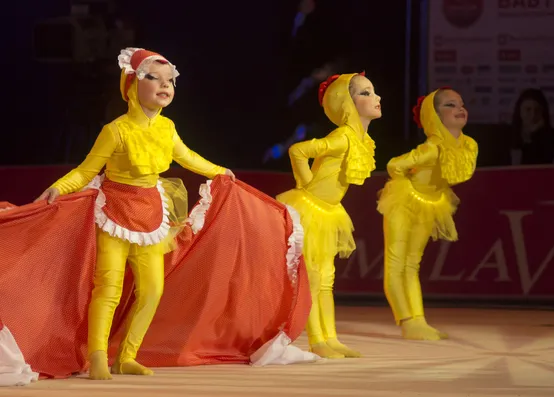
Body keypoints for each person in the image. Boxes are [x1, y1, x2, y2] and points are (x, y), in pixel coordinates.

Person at [35, 47, 235, 380]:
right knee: (109, 288)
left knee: (153, 289)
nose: (165, 85)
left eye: (169, 80)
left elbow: (187, 157)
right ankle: (98, 355)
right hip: (115, 213)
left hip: (151, 214)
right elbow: (86, 172)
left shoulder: (167, 128)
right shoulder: (115, 130)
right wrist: (60, 187)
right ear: (131, 85)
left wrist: (218, 171)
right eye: (153, 78)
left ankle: (126, 356)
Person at [277, 72, 380, 358]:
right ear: (346, 102)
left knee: (326, 278)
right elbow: (298, 150)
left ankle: (331, 337)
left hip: (329, 211)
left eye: (373, 92)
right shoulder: (344, 138)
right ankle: (317, 340)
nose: (377, 98)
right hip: (312, 208)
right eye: (366, 93)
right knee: (313, 277)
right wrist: (305, 183)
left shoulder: (360, 139)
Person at [377, 88, 478, 340]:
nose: (459, 108)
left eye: (461, 104)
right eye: (450, 105)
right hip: (403, 202)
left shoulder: (468, 145)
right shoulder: (431, 149)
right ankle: (407, 320)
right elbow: (394, 165)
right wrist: (403, 188)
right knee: (397, 263)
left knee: (412, 265)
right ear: (433, 116)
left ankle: (419, 321)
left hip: (429, 202)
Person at [510, 88, 554, 165]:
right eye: (528, 109)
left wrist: (535, 133)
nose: (533, 115)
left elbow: (535, 163)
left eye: (537, 110)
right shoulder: (508, 133)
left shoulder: (551, 135)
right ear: (519, 111)